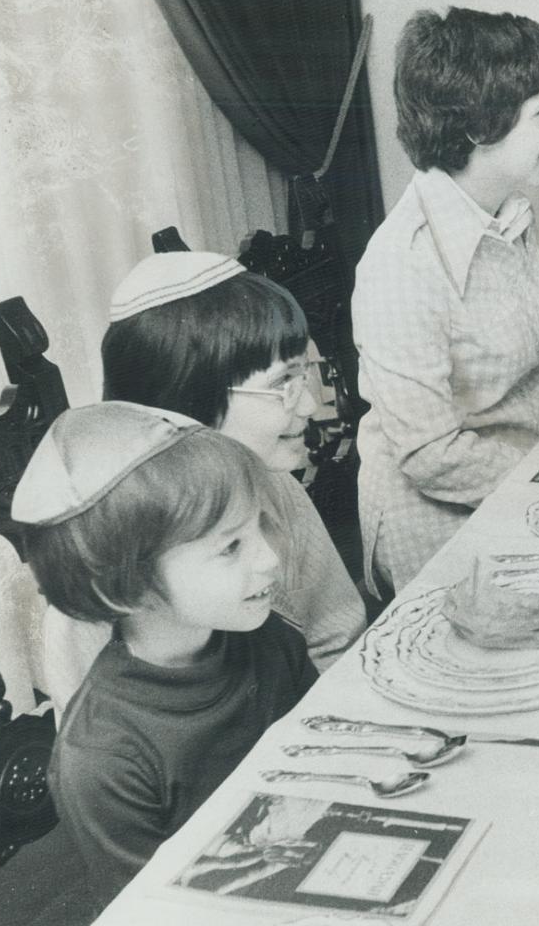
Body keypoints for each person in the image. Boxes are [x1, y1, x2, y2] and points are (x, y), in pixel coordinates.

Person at [14, 403, 318, 908]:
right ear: (126, 587)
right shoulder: (103, 759)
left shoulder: (273, 642)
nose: (269, 558)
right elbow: (152, 919)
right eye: (230, 548)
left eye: (259, 528)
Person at [41, 252, 366, 705]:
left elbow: (339, 637)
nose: (311, 406)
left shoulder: (276, 486)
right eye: (282, 385)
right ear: (189, 396)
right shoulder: (104, 567)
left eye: (304, 374)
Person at [353, 7, 539, 593]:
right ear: (480, 128)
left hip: (525, 478)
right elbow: (431, 455)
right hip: (436, 516)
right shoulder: (401, 265)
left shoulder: (506, 210)